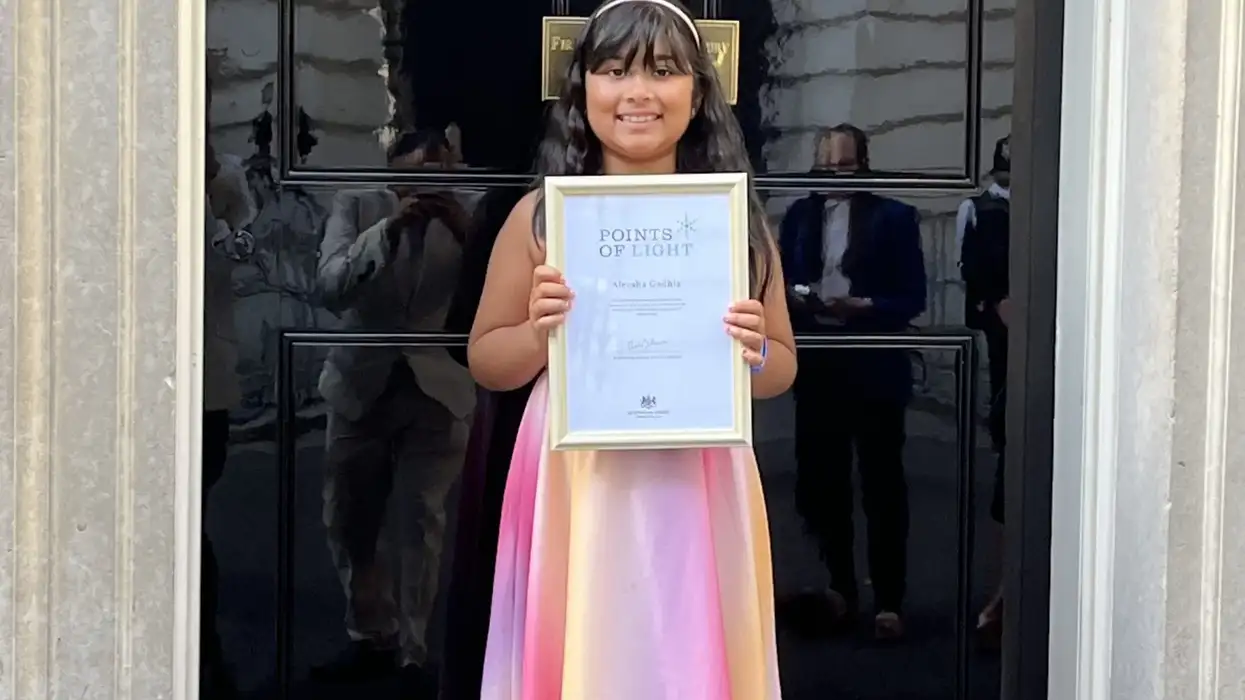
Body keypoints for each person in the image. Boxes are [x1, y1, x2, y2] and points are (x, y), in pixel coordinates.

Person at [469, 1, 794, 697]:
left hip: (698, 471)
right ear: (582, 87)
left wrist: (752, 351)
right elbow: (488, 361)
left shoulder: (734, 223)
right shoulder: (540, 216)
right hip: (574, 472)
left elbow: (781, 368)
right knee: (586, 634)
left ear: (698, 92)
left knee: (686, 645)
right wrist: (538, 332)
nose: (637, 92)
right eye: (614, 71)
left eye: (664, 71)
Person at [312, 128, 476, 697]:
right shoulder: (357, 204)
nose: (429, 187)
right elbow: (329, 287)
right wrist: (392, 226)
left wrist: (461, 227)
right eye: (415, 178)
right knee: (349, 518)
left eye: (441, 176)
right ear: (393, 173)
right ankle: (368, 634)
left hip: (439, 390)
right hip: (361, 384)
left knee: (420, 520)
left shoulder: (473, 210)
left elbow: (494, 292)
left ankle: (414, 651)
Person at [778, 124, 927, 640]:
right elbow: (778, 282)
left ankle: (890, 599)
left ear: (863, 164)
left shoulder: (895, 217)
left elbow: (912, 298)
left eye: (843, 164)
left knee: (883, 484)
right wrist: (799, 299)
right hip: (819, 364)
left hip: (873, 361)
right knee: (824, 483)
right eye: (825, 165)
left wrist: (865, 306)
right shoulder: (798, 216)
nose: (833, 175)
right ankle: (840, 588)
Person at [202, 75, 257, 700]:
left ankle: (208, 652)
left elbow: (241, 258)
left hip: (207, 380)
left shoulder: (227, 176)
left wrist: (217, 205)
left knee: (199, 518)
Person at [957, 134, 1012, 644]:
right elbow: (968, 271)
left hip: (1055, 341)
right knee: (1005, 447)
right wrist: (991, 306)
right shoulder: (979, 210)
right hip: (1001, 342)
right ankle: (1004, 594)